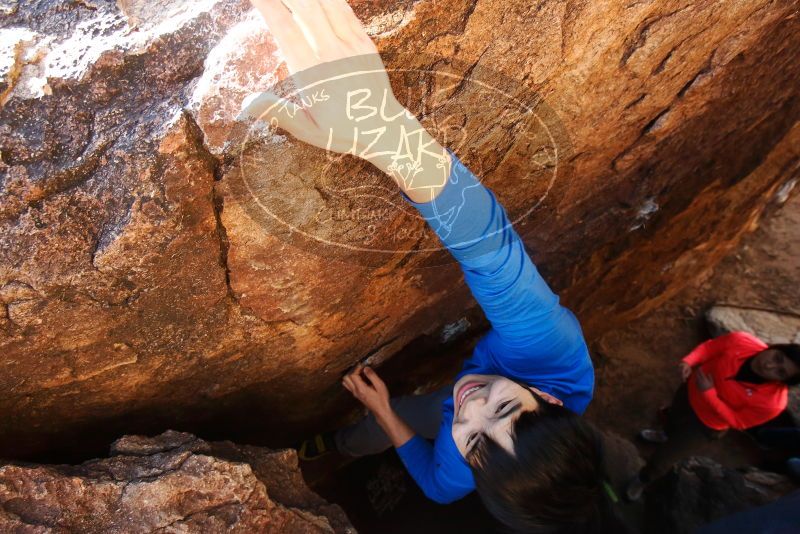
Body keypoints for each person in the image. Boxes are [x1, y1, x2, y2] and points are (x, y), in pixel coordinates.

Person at [239, 1, 617, 531]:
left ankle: (341, 447)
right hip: (521, 362)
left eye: (477, 441)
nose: (472, 407)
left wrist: (387, 410)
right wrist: (389, 135)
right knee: (419, 415)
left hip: (440, 411)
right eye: (506, 410)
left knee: (385, 425)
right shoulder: (552, 352)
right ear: (549, 398)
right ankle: (348, 444)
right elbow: (491, 252)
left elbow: (437, 488)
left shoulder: (463, 465)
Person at [626, 332, 800, 501]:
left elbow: (738, 421)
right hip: (688, 393)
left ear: (782, 382)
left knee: (664, 459)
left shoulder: (772, 404)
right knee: (672, 418)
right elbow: (710, 348)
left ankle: (642, 480)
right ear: (776, 347)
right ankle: (665, 434)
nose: (769, 366)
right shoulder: (741, 340)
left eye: (780, 372)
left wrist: (709, 393)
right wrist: (689, 361)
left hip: (705, 426)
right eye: (778, 358)